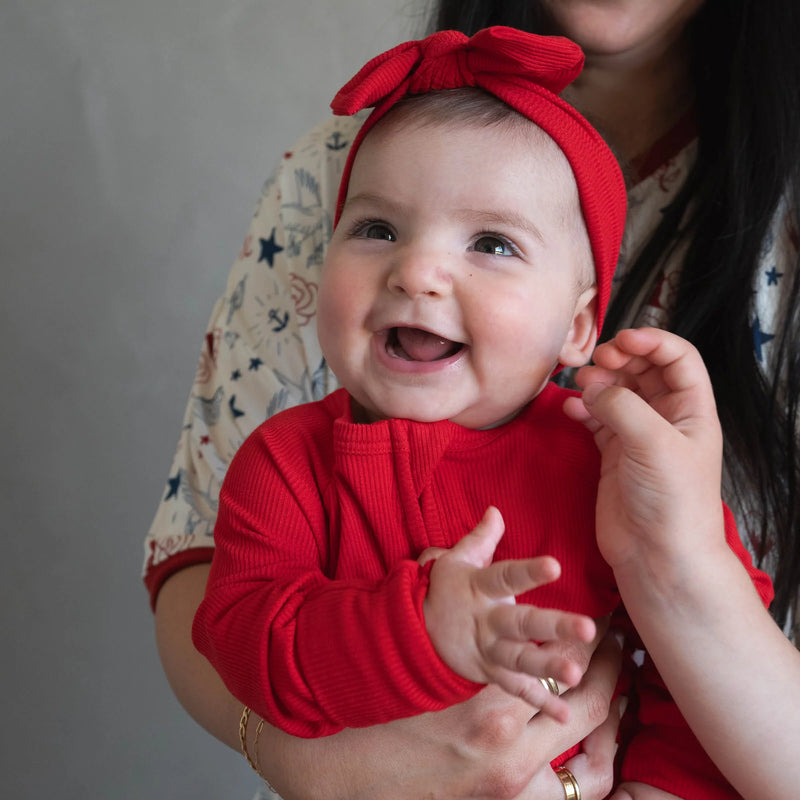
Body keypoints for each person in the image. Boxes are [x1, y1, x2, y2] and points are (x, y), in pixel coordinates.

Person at [146, 2, 800, 799]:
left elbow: (682, 684)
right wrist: (417, 633)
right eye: (378, 229)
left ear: (581, 324)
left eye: (491, 244)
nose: (417, 272)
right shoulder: (284, 465)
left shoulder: (612, 468)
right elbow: (238, 634)